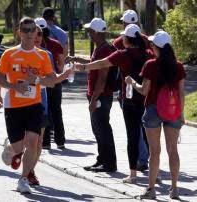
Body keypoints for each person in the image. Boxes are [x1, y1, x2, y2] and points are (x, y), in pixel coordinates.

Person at [75, 24, 153, 182]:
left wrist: (84, 67)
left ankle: (132, 174)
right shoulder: (148, 54)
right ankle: (154, 172)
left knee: (133, 136)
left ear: (126, 39)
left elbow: (102, 63)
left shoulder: (124, 54)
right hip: (147, 99)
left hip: (130, 101)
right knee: (150, 138)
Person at [0, 17, 59, 194]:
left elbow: (52, 81)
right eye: (26, 30)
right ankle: (11, 148)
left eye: (33, 30)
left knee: (33, 142)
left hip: (34, 105)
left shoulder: (43, 55)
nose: (30, 34)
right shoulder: (9, 54)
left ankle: (23, 179)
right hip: (13, 106)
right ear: (19, 32)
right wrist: (14, 86)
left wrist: (37, 80)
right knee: (18, 148)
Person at [125, 30, 185, 199]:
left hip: (152, 109)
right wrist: (181, 114)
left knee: (154, 151)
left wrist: (132, 82)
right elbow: (181, 93)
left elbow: (144, 91)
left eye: (152, 44)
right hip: (172, 111)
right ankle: (174, 189)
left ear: (156, 47)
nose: (150, 46)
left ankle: (151, 189)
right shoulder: (178, 66)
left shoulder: (151, 65)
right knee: (173, 150)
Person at [67, 18, 117, 172]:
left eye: (89, 31)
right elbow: (93, 62)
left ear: (95, 32)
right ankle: (101, 159)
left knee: (102, 129)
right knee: (98, 129)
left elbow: (102, 78)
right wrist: (76, 59)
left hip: (101, 96)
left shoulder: (105, 49)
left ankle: (109, 163)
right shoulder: (101, 48)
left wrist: (94, 99)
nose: (88, 34)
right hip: (98, 95)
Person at [113, 9, 150, 172]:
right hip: (146, 91)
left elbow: (109, 64)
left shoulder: (119, 42)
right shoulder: (147, 42)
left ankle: (140, 161)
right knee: (145, 128)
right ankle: (146, 157)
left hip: (128, 91)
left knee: (133, 131)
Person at [35, 17, 66, 149]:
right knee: (56, 110)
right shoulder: (55, 43)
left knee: (45, 111)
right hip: (54, 81)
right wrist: (59, 71)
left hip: (45, 82)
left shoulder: (37, 49)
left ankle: (46, 142)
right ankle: (60, 141)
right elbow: (61, 63)